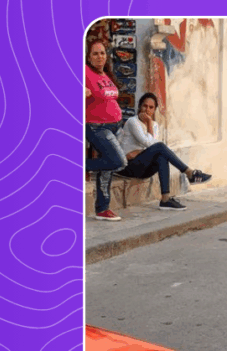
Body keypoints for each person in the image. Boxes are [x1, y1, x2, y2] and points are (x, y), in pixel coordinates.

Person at [117, 92, 212, 210]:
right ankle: (189, 173)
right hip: (127, 167)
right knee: (160, 148)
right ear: (139, 107)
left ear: (154, 110)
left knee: (161, 156)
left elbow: (151, 145)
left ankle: (165, 199)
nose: (147, 110)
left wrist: (149, 125)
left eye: (151, 107)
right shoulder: (133, 122)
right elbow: (150, 143)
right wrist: (149, 124)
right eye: (144, 106)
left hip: (142, 167)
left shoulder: (154, 125)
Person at [85, 40, 127, 221]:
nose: (99, 56)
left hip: (113, 127)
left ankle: (102, 209)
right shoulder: (84, 72)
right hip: (97, 126)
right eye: (95, 53)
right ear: (88, 57)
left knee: (107, 169)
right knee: (119, 161)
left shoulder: (104, 75)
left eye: (102, 53)